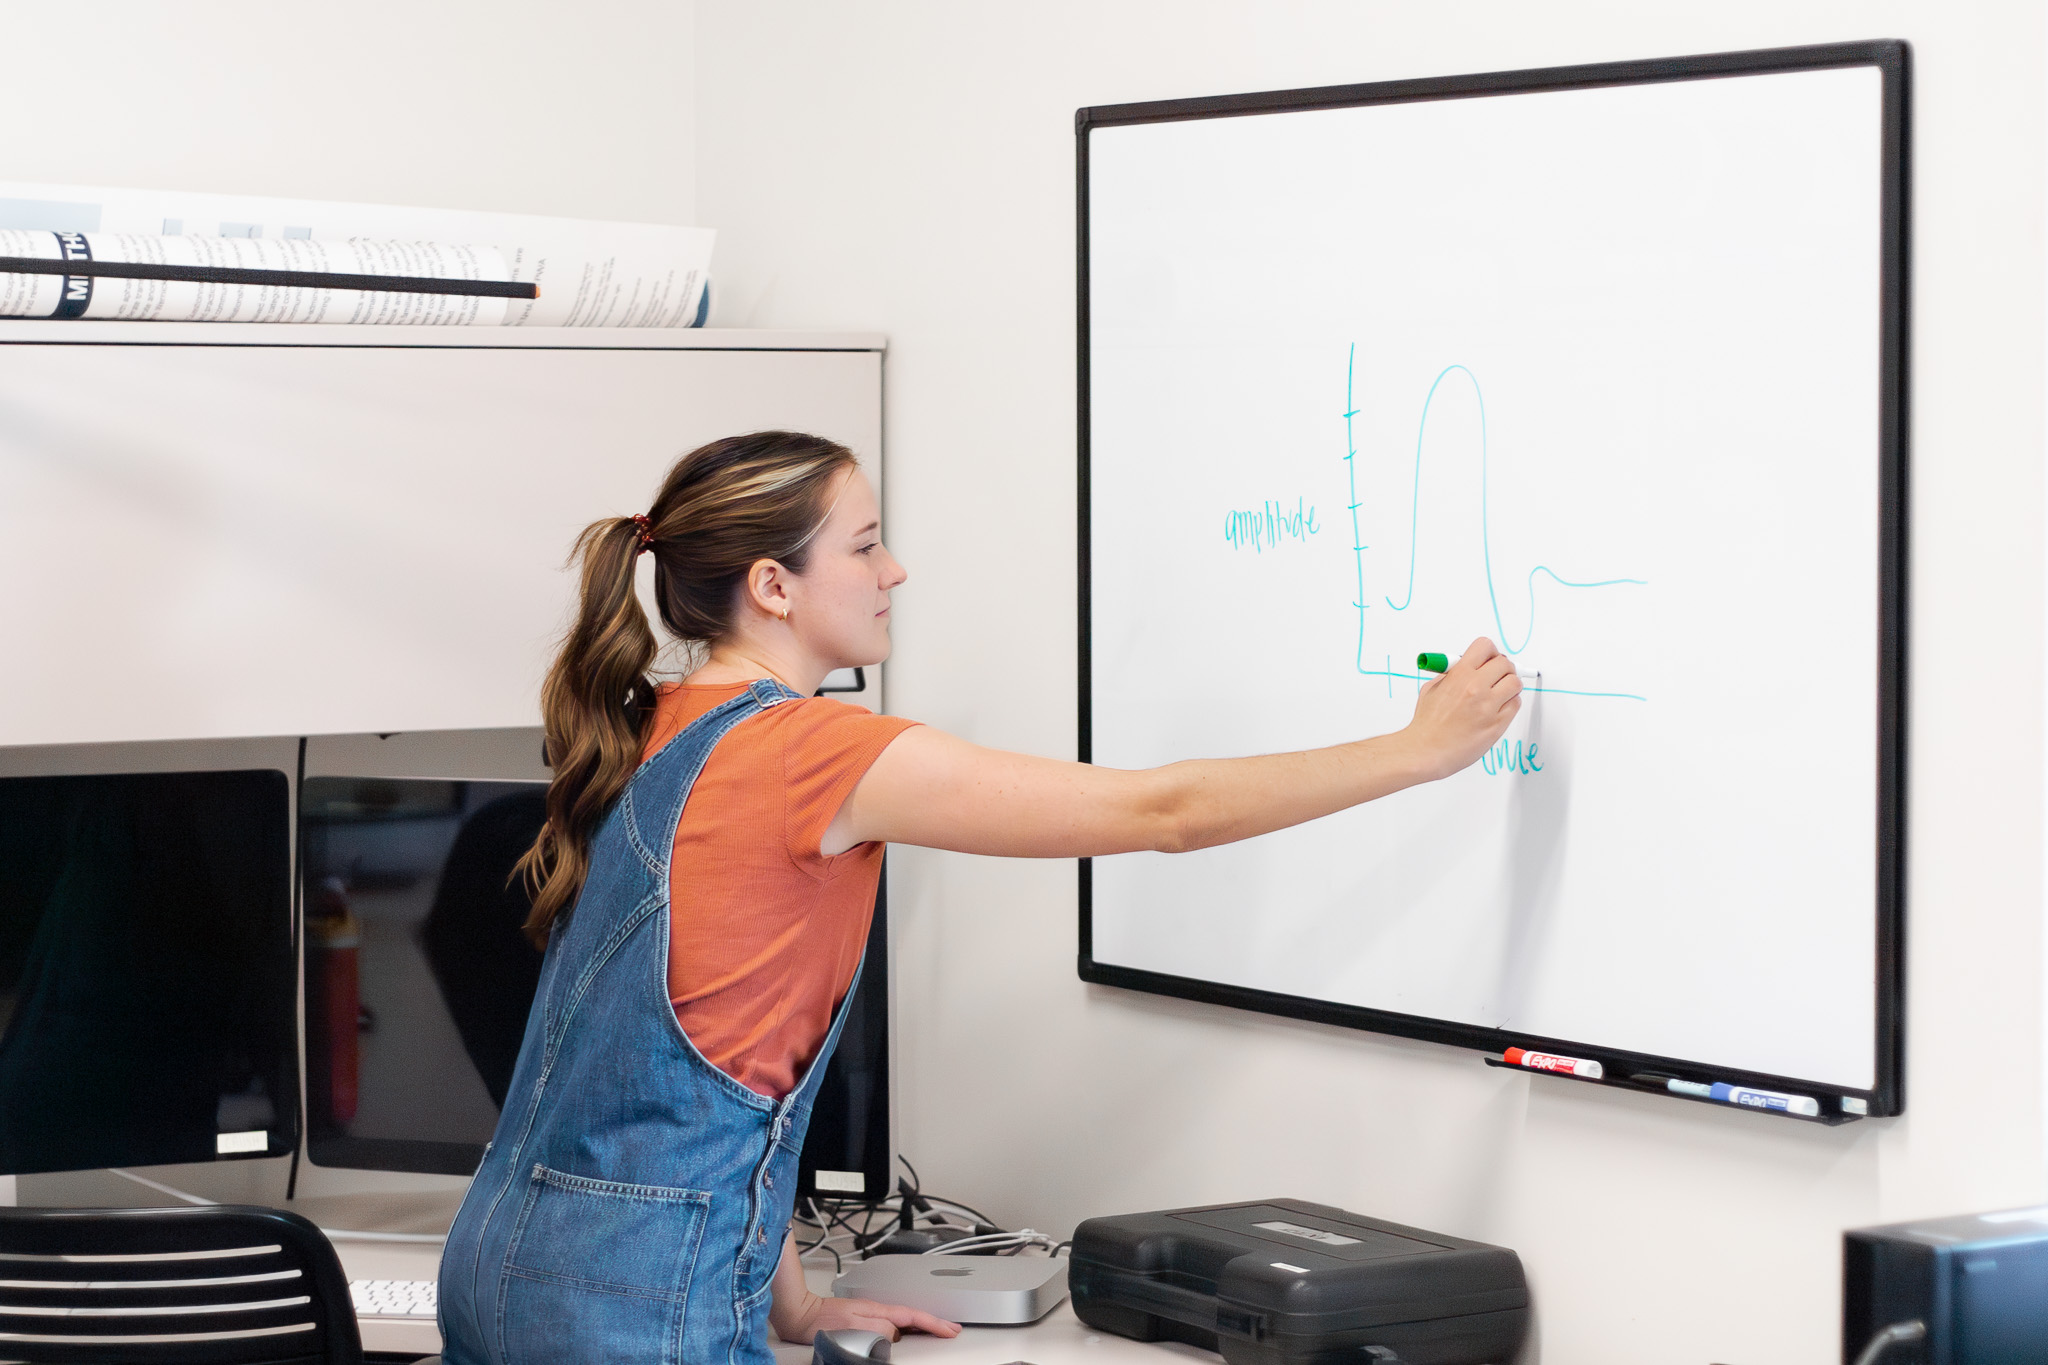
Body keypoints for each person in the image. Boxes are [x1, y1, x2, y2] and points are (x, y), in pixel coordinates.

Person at [436, 430, 1520, 1365]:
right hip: (633, 1303)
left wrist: (795, 1302)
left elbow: (694, 1075)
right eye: (863, 547)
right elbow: (1165, 813)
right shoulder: (809, 752)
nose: (893, 571)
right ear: (774, 586)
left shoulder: (654, 724)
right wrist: (1415, 751)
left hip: (500, 1263)